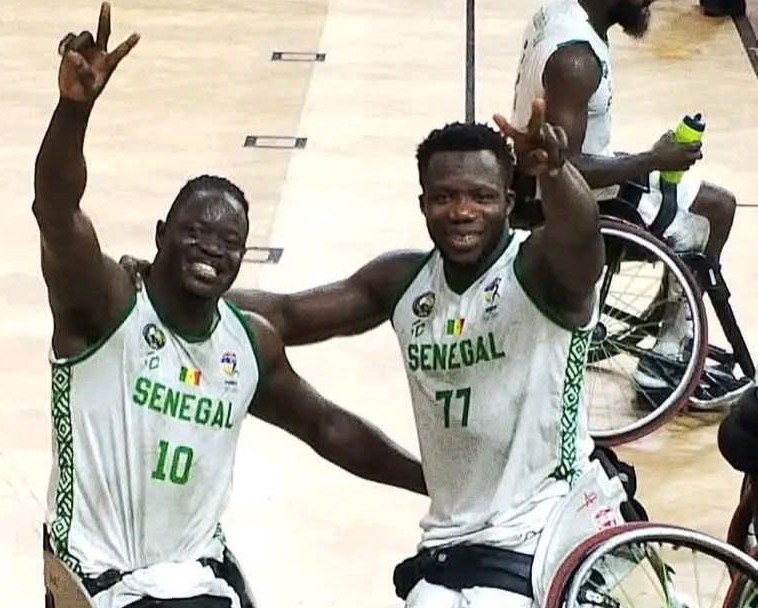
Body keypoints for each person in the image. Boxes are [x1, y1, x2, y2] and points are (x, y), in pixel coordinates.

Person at [125, 99, 656, 604]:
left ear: (509, 203)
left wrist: (559, 174)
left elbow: (583, 247)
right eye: (444, 197)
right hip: (458, 535)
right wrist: (165, 286)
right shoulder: (403, 281)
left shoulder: (539, 271)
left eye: (481, 196)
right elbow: (285, 315)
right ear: (423, 202)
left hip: (550, 519)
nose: (462, 211)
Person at [34, 5, 426, 608]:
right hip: (97, 575)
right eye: (196, 233)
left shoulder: (247, 345)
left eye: (229, 243)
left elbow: (327, 426)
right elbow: (58, 210)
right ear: (162, 233)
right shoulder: (105, 308)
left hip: (195, 574)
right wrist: (74, 110)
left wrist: (432, 480)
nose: (211, 250)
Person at [509, 0, 751, 408]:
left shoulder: (559, 13)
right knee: (714, 210)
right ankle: (667, 358)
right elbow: (562, 167)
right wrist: (653, 159)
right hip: (567, 206)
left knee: (698, 201)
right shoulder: (576, 60)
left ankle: (671, 325)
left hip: (544, 189)